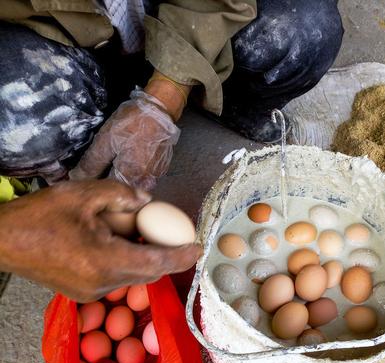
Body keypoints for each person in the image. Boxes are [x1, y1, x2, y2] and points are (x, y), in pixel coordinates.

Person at [0, 0, 344, 301]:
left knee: (305, 26)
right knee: (21, 119)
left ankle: (227, 98)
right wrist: (12, 237)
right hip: (43, 33)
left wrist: (166, 95)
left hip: (172, 12)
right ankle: (79, 142)